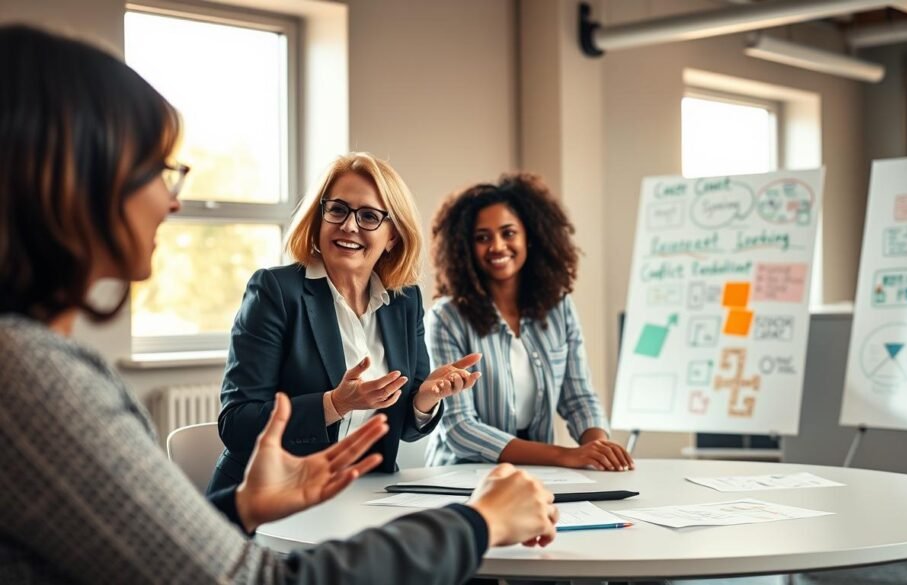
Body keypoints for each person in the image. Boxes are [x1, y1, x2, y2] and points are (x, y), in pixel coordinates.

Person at [0, 24, 557, 584]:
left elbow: (159, 556)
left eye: (370, 217)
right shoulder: (29, 374)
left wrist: (243, 509)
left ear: (393, 233)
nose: (173, 200)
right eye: (153, 169)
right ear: (71, 182)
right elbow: (254, 578)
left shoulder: (33, 362)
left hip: (341, 499)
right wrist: (477, 523)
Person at [207, 152, 482, 493]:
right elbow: (237, 424)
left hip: (363, 495)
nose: (349, 225)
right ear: (319, 217)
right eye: (337, 209)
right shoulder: (275, 291)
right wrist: (335, 404)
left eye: (369, 216)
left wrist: (424, 399)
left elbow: (408, 429)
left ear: (393, 236)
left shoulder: (404, 300)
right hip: (270, 496)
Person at [425, 173, 635, 471]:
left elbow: (579, 396)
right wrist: (564, 456)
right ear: (464, 248)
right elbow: (460, 428)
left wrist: (596, 447)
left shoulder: (559, 308)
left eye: (508, 233)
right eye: (482, 238)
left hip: (539, 473)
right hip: (462, 475)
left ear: (529, 236)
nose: (497, 246)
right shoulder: (446, 318)